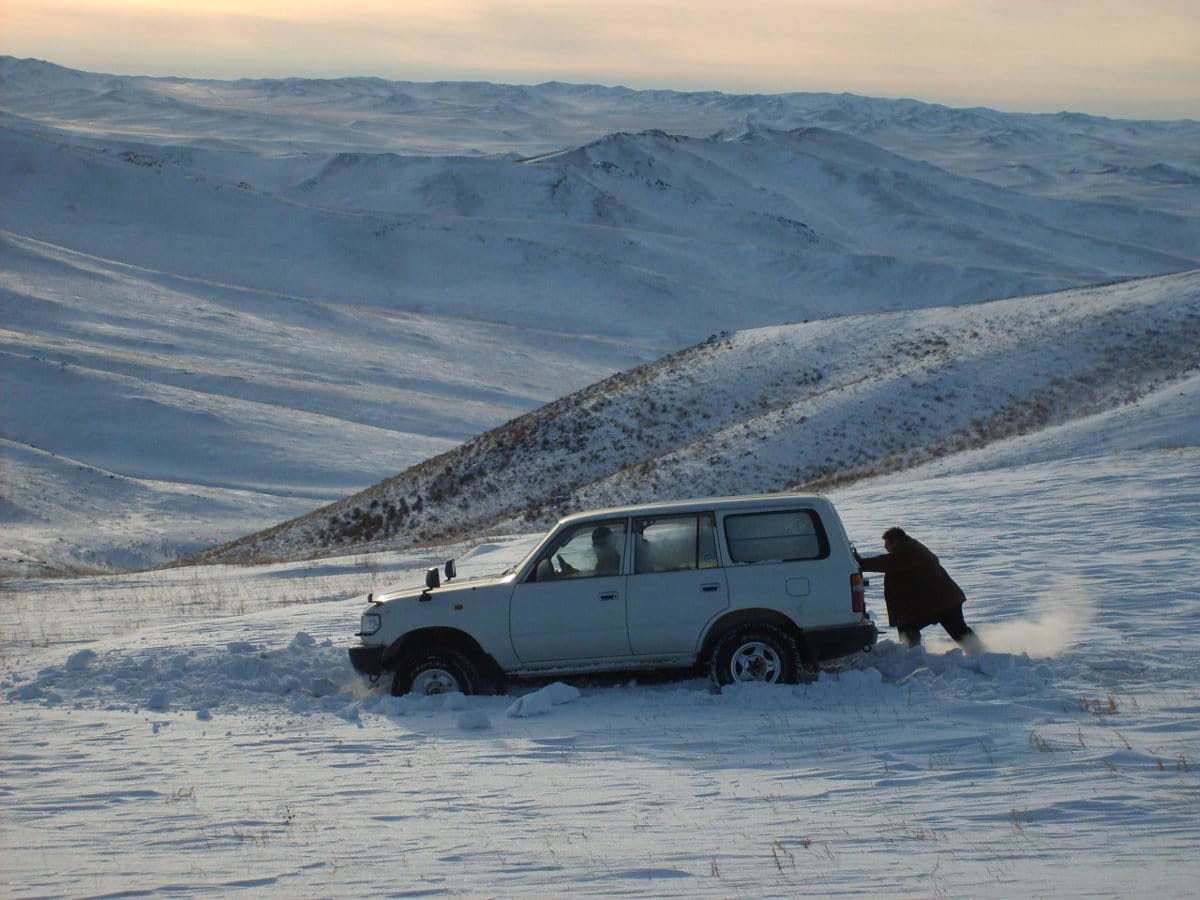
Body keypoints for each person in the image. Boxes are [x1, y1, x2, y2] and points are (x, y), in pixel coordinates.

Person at [854, 527, 982, 654]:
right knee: (909, 627)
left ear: (896, 541)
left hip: (943, 602)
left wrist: (861, 563)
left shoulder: (909, 552)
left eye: (887, 544)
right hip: (934, 602)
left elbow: (887, 562)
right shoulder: (909, 550)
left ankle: (980, 654)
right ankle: (913, 654)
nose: (885, 547)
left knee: (956, 630)